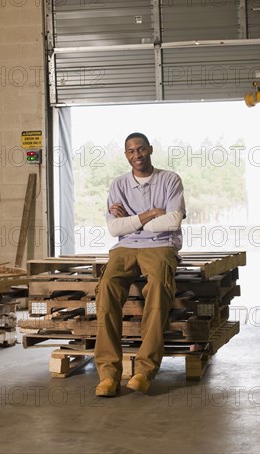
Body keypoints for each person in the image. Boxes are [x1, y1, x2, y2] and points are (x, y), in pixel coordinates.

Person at [94, 132, 186, 396]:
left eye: (141, 149)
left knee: (158, 288)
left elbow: (172, 221)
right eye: (131, 151)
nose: (137, 155)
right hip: (125, 246)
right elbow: (114, 228)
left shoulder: (170, 180)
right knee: (107, 288)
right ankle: (109, 375)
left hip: (160, 246)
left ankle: (145, 370)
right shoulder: (118, 185)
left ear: (150, 150)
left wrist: (132, 220)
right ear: (126, 155)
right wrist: (148, 214)